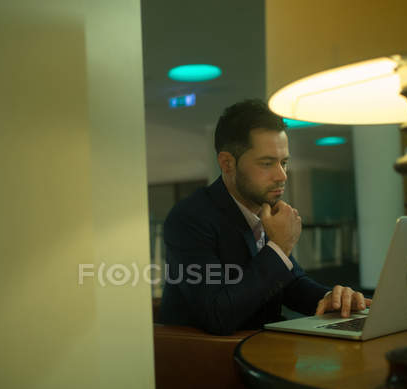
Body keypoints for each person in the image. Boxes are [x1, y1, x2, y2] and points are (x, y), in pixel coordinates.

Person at [158, 99, 371, 335]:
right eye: (267, 163)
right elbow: (218, 316)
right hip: (208, 357)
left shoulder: (263, 210)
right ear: (227, 163)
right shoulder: (189, 219)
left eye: (284, 162)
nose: (281, 176)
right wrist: (280, 246)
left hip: (264, 345)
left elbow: (291, 283)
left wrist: (331, 298)